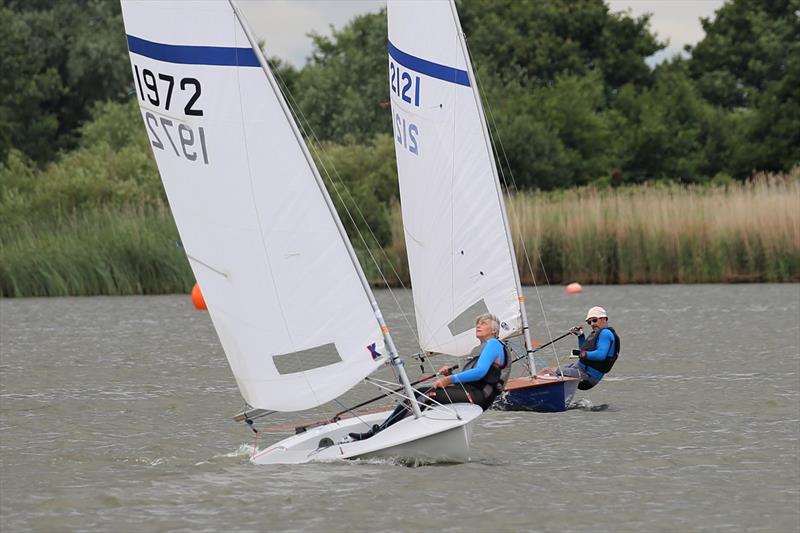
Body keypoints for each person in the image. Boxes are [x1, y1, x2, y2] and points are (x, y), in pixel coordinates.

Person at [347, 313, 510, 441]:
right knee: (419, 392)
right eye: (477, 323)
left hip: (480, 396)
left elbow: (480, 372)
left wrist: (449, 380)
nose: (478, 326)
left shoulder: (493, 344)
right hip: (475, 392)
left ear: (494, 330)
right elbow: (479, 375)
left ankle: (380, 434)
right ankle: (383, 430)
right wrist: (451, 375)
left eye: (483, 323)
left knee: (425, 395)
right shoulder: (485, 347)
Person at [538, 306, 620, 390]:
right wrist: (580, 336)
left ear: (604, 319)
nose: (592, 324)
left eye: (595, 320)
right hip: (579, 367)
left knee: (552, 373)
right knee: (546, 370)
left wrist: (583, 354)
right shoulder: (596, 333)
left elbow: (601, 355)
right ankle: (530, 386)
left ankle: (536, 392)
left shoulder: (606, 333)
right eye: (589, 322)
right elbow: (584, 350)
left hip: (588, 376)